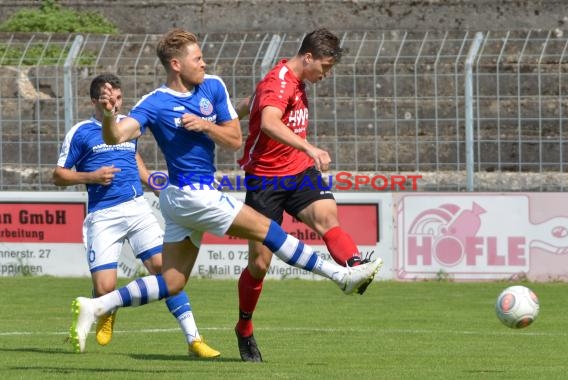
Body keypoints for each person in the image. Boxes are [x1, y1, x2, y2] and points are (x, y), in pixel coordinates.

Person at [68, 28, 383, 356]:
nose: (204, 63)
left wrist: (206, 125)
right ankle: (340, 276)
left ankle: (98, 305)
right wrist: (107, 118)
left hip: (184, 200)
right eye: (197, 58)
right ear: (176, 64)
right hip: (191, 195)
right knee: (269, 231)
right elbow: (115, 136)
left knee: (172, 282)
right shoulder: (156, 102)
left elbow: (234, 139)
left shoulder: (213, 87)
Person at [233, 28, 378, 362]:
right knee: (259, 264)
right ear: (308, 56)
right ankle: (244, 327)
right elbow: (269, 121)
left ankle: (354, 267)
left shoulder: (294, 82)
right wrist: (310, 146)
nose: (325, 75)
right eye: (324, 67)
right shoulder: (278, 81)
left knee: (327, 217)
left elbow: (252, 103)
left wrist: (227, 116)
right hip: (265, 181)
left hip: (298, 172)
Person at [55, 73, 220, 358]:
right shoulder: (81, 132)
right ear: (95, 100)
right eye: (109, 99)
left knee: (166, 271)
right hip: (103, 215)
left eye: (119, 98)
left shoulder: (129, 127)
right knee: (105, 286)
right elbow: (58, 175)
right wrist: (91, 176)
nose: (115, 104)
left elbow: (138, 165)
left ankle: (194, 339)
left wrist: (160, 188)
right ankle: (105, 306)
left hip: (137, 209)